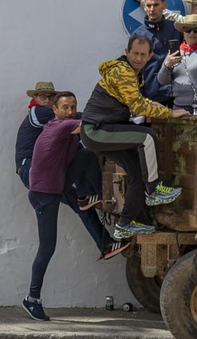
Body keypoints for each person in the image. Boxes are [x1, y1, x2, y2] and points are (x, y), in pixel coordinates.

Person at [21, 91, 127, 319]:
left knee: (87, 155)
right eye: (65, 108)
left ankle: (91, 196)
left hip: (57, 185)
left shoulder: (68, 132)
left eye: (73, 107)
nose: (69, 111)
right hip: (44, 195)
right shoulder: (58, 127)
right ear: (55, 111)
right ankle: (32, 299)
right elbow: (89, 123)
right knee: (47, 247)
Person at [81, 34, 187, 240]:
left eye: (143, 54)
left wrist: (159, 108)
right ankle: (154, 190)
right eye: (135, 53)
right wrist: (170, 113)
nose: (138, 58)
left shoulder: (136, 74)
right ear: (126, 52)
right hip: (97, 130)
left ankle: (125, 224)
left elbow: (140, 100)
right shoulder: (122, 72)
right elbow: (137, 106)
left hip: (104, 129)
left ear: (149, 56)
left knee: (137, 173)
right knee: (146, 137)